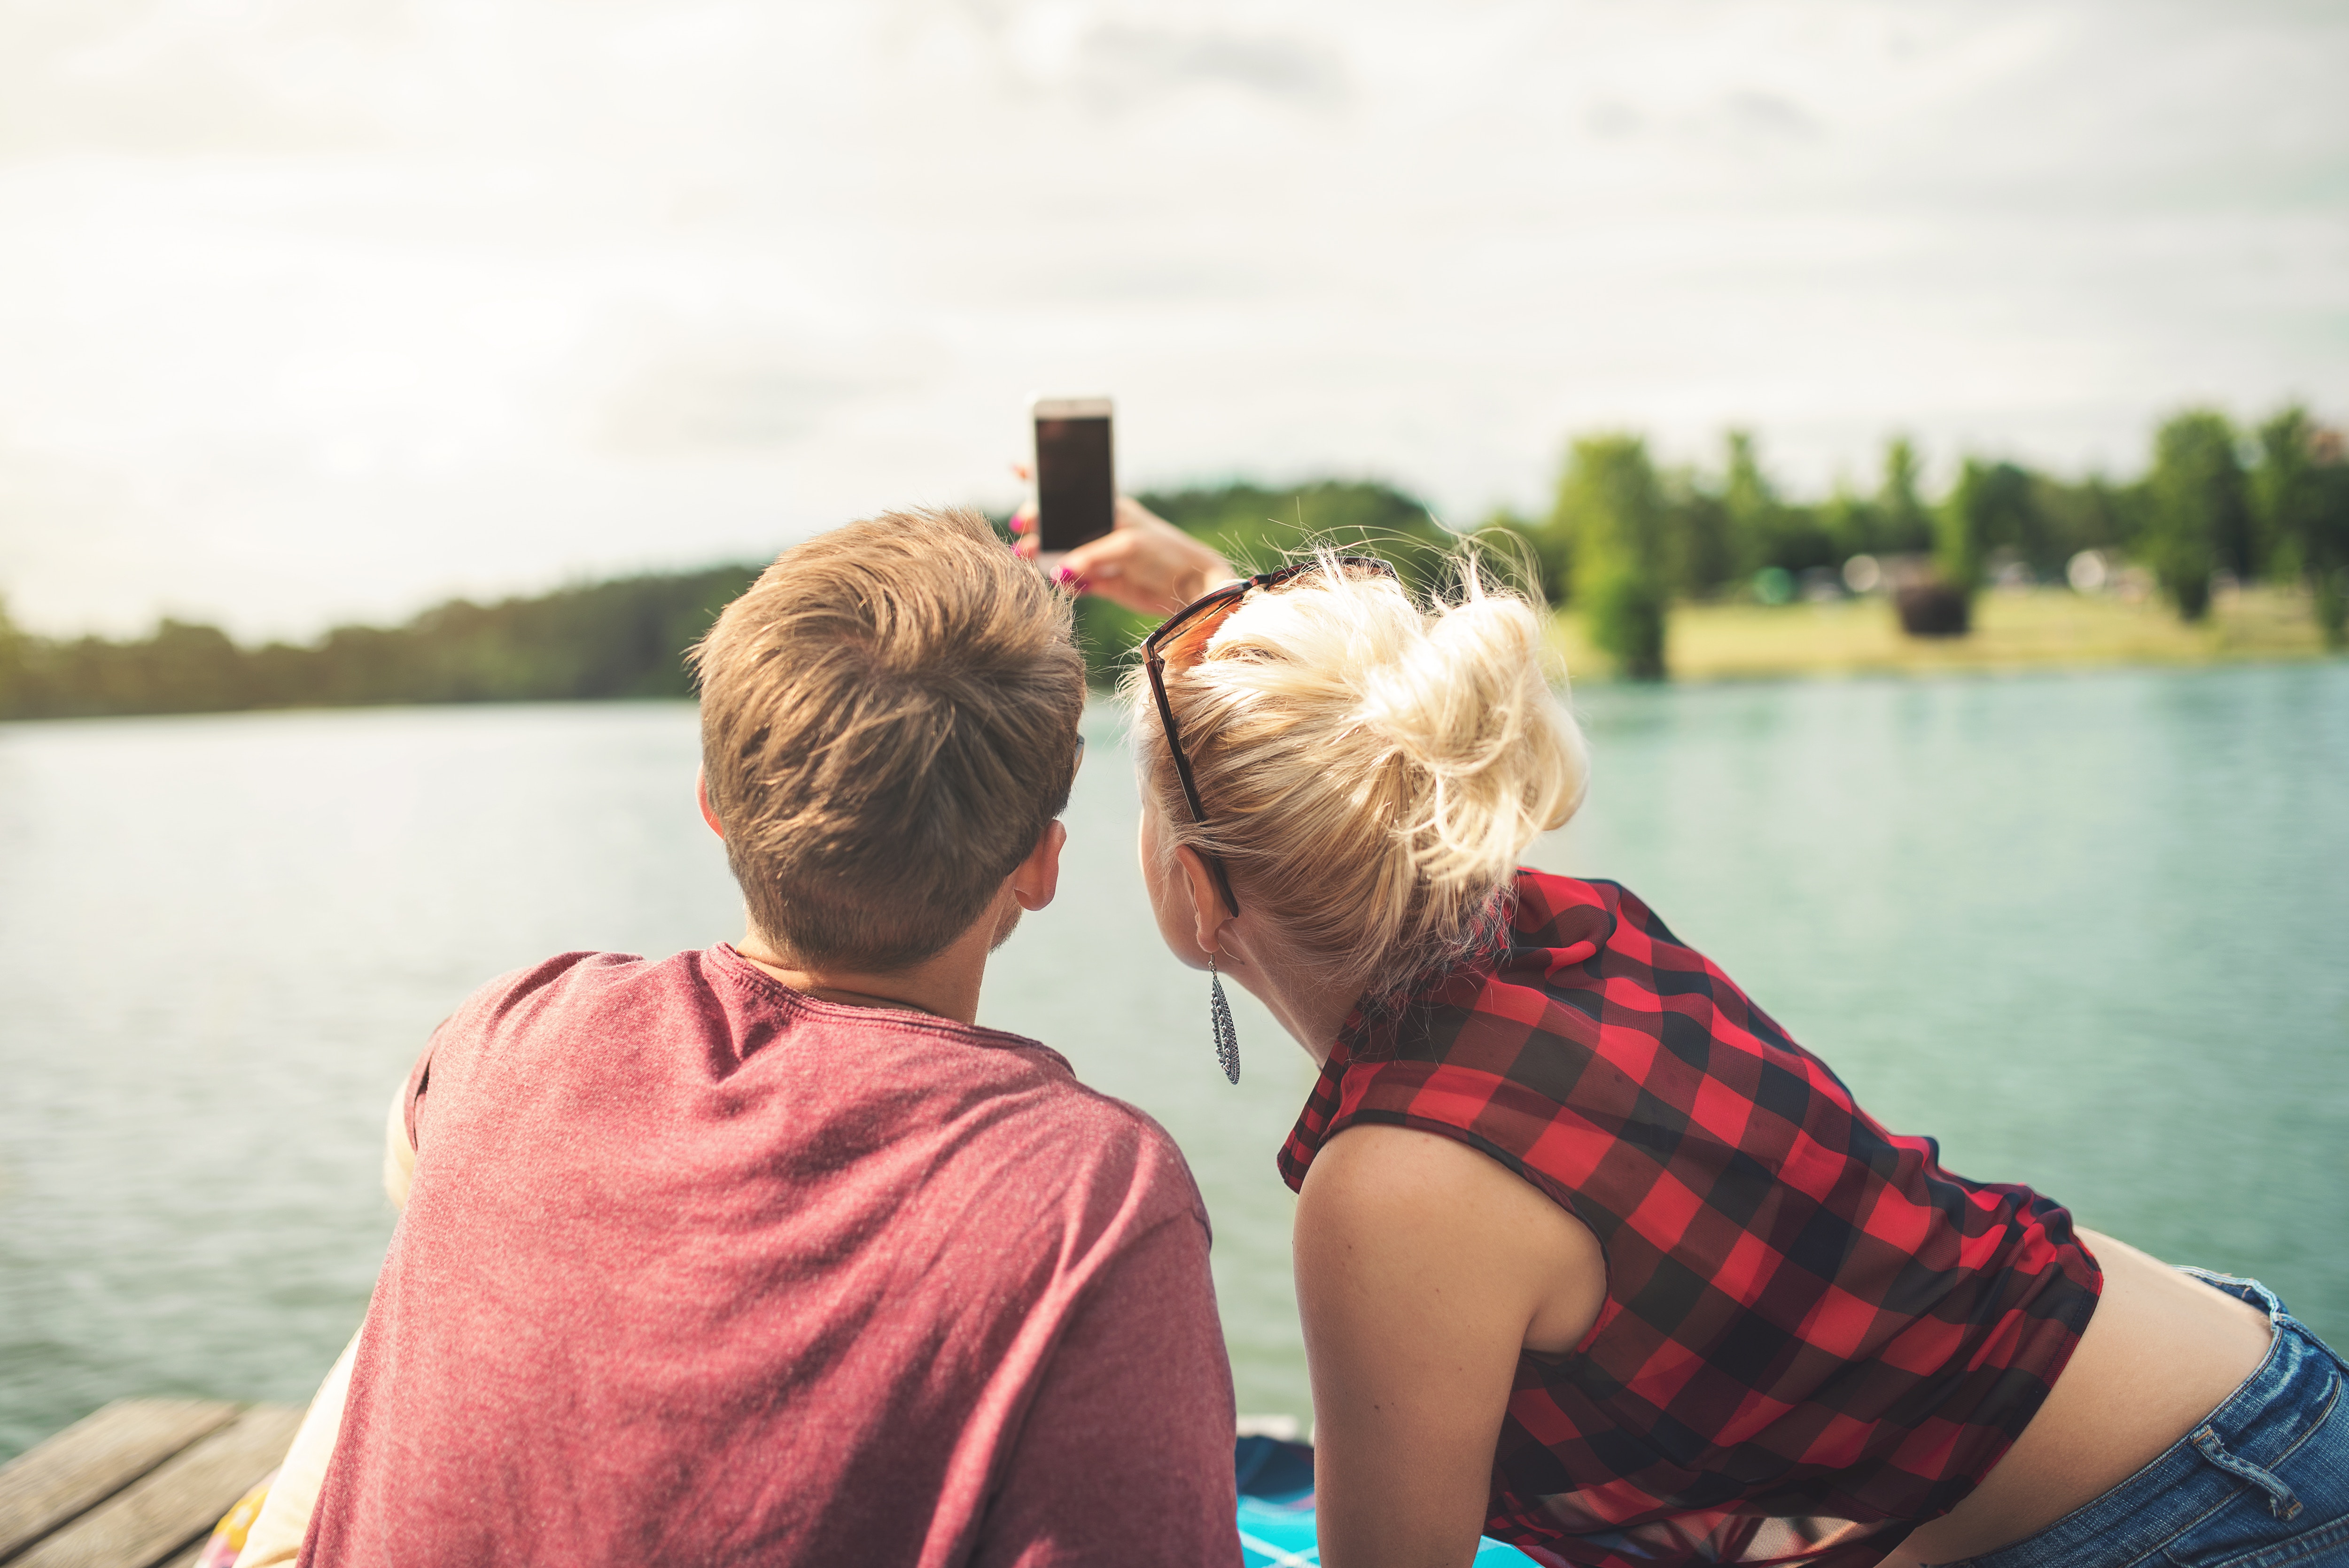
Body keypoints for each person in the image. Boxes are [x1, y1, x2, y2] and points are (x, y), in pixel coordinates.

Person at [1066, 505, 2349, 1567]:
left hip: (2205, 1514)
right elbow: (1359, 758)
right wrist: (1203, 592)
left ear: (1192, 887)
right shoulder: (1558, 931)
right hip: (2238, 1405)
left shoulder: (1392, 1185)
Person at [239, 508, 1241, 1568]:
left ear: (715, 808)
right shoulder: (1093, 1201)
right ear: (1042, 864)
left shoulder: (511, 1026)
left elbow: (418, 1178)